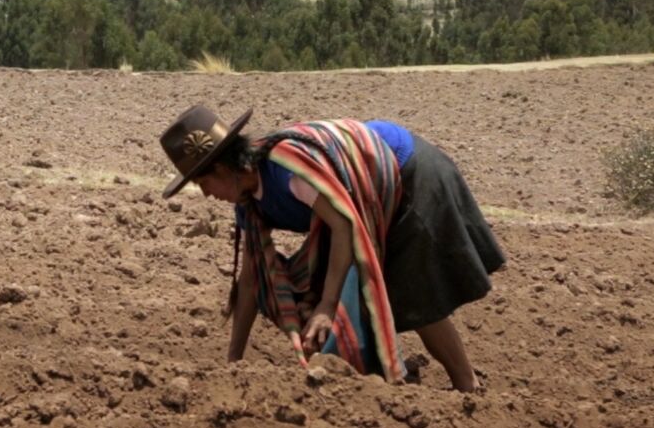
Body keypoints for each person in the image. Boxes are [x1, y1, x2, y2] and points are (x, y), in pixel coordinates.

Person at [159, 105, 505, 391]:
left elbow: (344, 224)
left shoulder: (287, 173)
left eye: (204, 182)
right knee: (316, 286)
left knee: (412, 292)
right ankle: (360, 375)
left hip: (406, 172)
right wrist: (233, 360)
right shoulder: (248, 201)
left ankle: (467, 385)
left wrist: (327, 305)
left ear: (224, 168)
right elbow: (251, 280)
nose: (206, 194)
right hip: (364, 198)